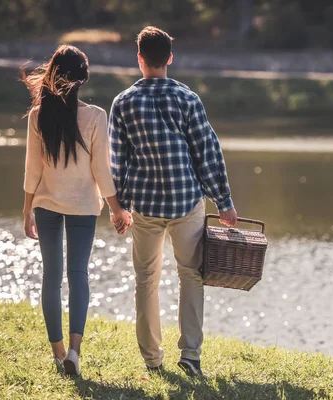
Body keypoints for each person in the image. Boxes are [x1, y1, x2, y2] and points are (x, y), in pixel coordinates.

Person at [108, 26, 238, 377]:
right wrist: (224, 201)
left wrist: (116, 207)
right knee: (191, 276)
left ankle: (152, 359)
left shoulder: (122, 103)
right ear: (169, 58)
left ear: (139, 59)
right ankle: (190, 355)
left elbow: (115, 161)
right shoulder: (187, 98)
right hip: (186, 203)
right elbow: (207, 152)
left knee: (146, 280)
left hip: (145, 207)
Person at [22, 45, 132, 376]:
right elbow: (102, 170)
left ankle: (58, 356)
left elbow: (32, 170)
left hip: (46, 205)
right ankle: (74, 352)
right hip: (84, 207)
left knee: (51, 278)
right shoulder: (96, 116)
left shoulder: (39, 115)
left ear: (54, 74)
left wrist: (27, 210)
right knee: (78, 275)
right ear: (83, 79)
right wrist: (117, 210)